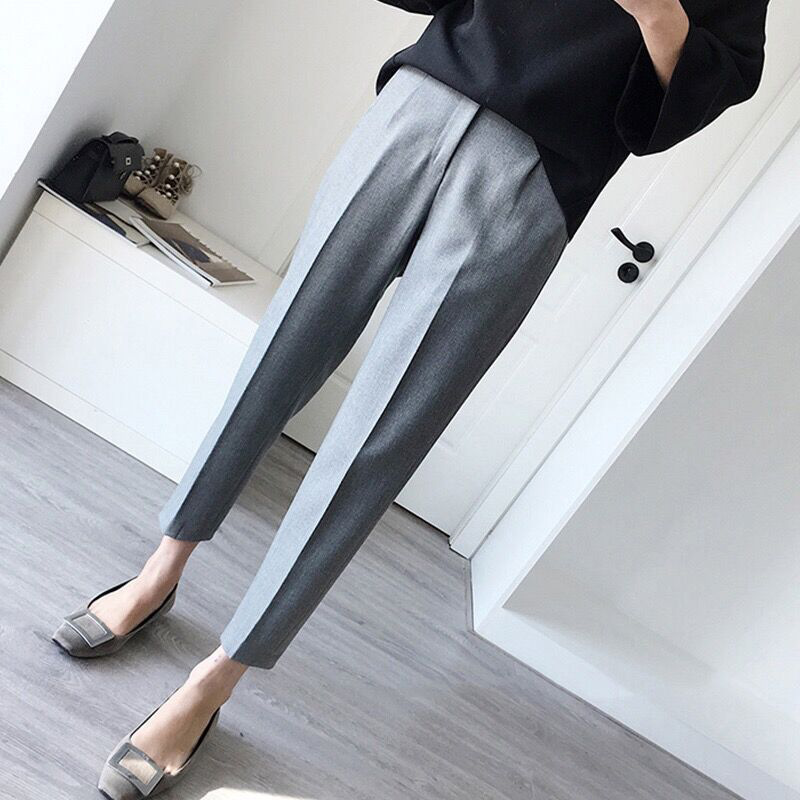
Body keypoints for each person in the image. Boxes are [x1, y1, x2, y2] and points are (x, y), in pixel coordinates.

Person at [51, 1, 770, 797]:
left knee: (381, 439)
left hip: (537, 173)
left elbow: (706, 88)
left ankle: (218, 676)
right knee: (280, 354)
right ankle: (161, 569)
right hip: (424, 100)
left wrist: (660, 15)